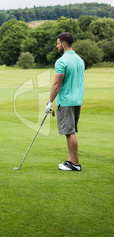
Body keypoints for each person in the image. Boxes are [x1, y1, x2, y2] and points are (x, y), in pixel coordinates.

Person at [45, 32, 85, 171]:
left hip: (66, 101)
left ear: (63, 44)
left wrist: (49, 102)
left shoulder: (61, 61)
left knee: (69, 132)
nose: (56, 46)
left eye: (57, 43)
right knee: (70, 131)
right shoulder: (80, 60)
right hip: (77, 100)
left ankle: (75, 164)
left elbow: (57, 84)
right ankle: (70, 160)